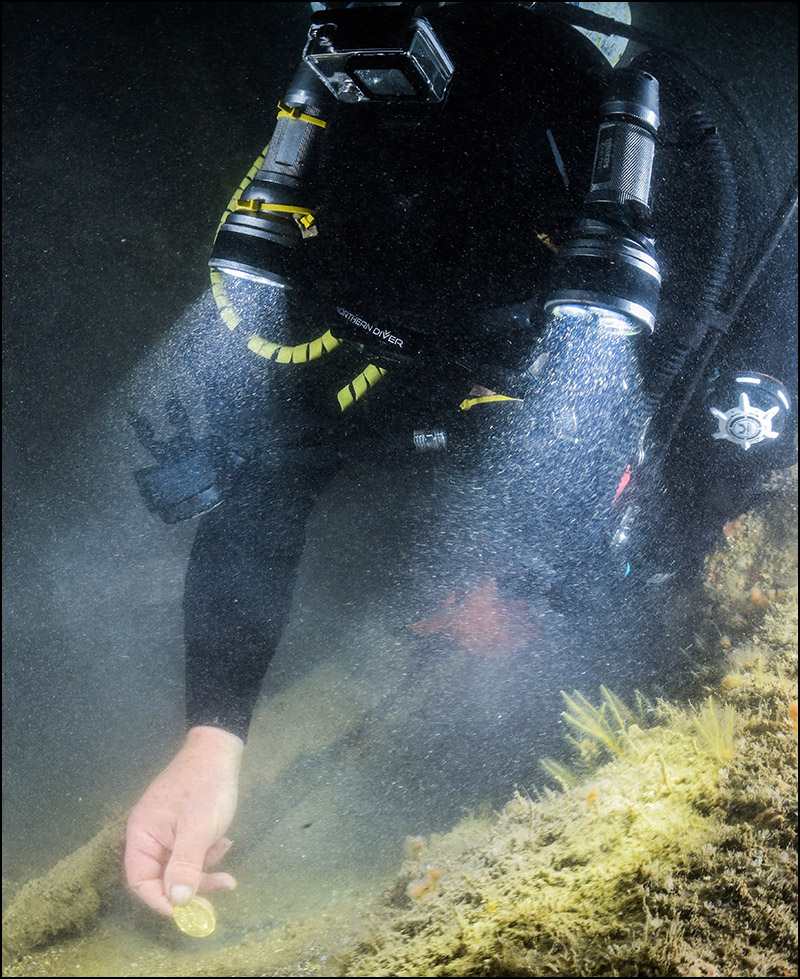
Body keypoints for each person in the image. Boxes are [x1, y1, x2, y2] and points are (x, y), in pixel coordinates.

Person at [125, 2, 797, 917]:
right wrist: (214, 735)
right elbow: (271, 478)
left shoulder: (687, 222)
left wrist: (539, 588)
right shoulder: (344, 184)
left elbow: (701, 497)